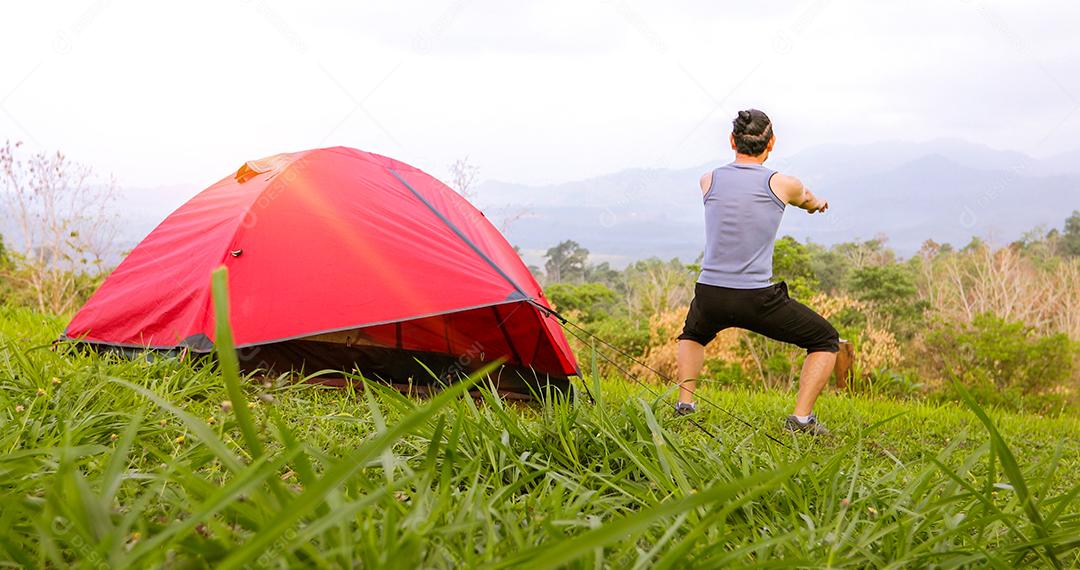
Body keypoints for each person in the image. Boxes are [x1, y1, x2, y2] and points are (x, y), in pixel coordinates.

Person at [675, 108, 838, 435]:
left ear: (732, 140)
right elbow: (806, 200)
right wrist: (818, 203)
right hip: (756, 298)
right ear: (772, 142)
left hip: (710, 293)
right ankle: (801, 420)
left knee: (693, 334)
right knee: (825, 339)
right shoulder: (784, 183)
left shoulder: (708, 179)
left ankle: (685, 406)